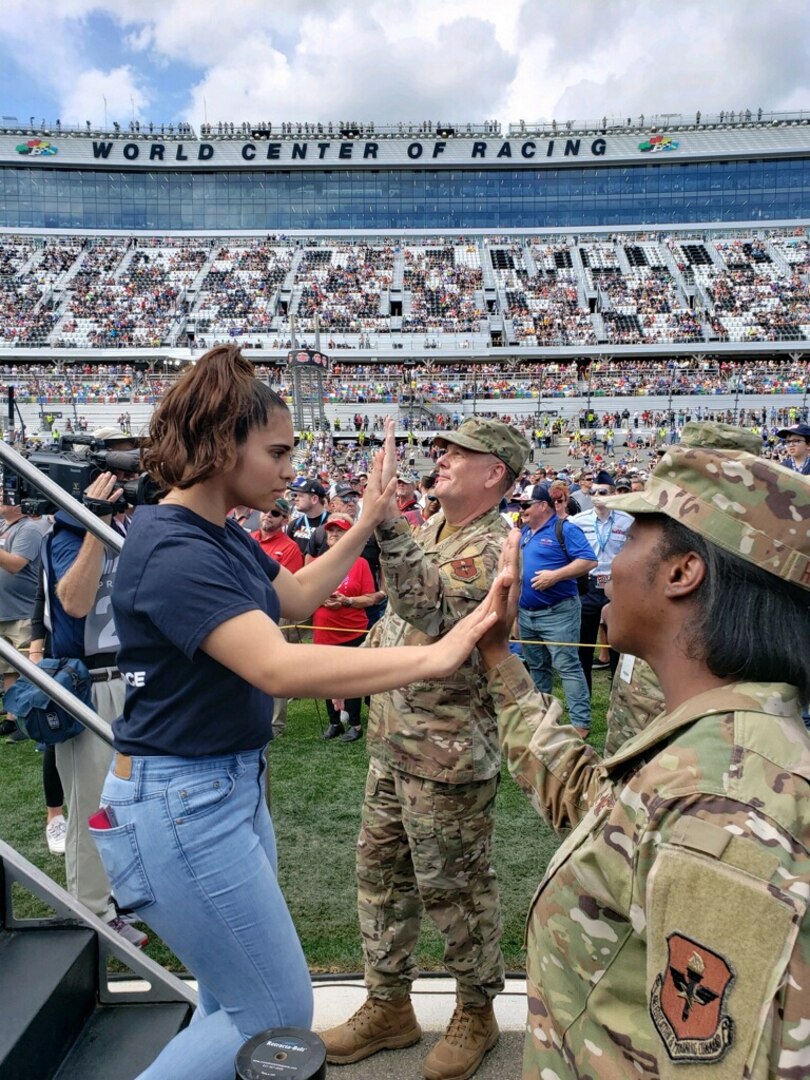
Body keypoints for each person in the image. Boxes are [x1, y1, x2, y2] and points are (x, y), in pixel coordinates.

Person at [93, 346, 497, 1080]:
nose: (289, 468)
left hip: (218, 791)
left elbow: (298, 600)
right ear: (221, 445)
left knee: (232, 1004)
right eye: (276, 451)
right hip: (183, 801)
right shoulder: (177, 547)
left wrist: (371, 518)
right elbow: (277, 665)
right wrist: (434, 657)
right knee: (273, 1015)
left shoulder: (217, 534)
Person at [473, 444, 810, 1079]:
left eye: (627, 540)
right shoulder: (714, 751)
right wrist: (500, 658)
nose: (608, 567)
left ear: (683, 573)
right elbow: (599, 808)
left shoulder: (725, 809)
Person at [322, 417, 531, 1080]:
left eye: (456, 452)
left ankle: (476, 1011)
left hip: (446, 759)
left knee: (457, 890)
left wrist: (382, 519)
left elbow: (439, 616)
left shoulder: (493, 543)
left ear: (494, 471)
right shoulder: (436, 531)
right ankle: (389, 1005)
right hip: (394, 745)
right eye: (439, 448)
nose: (438, 458)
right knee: (380, 881)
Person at [43, 429, 147, 946]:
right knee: (91, 805)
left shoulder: (131, 522)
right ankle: (93, 914)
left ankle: (120, 900)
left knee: (130, 802)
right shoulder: (64, 532)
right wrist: (93, 521)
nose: (126, 481)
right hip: (90, 682)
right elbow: (77, 603)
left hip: (130, 676)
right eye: (119, 471)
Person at [516, 483, 596, 736]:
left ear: (542, 505)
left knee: (567, 665)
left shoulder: (565, 529)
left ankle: (580, 722)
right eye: (520, 505)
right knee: (537, 666)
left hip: (558, 612)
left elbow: (589, 560)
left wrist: (555, 576)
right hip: (528, 613)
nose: (521, 510)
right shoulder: (526, 532)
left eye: (526, 505)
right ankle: (544, 717)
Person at [312, 515, 382, 742]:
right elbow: (304, 593)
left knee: (351, 679)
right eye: (330, 531)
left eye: (339, 531)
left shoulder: (360, 563)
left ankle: (355, 724)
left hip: (351, 629)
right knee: (325, 679)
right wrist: (322, 599)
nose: (333, 534)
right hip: (324, 629)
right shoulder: (318, 563)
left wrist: (346, 601)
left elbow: (371, 598)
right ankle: (334, 723)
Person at [570, 475, 633, 689]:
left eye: (602, 492)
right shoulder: (579, 520)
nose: (597, 496)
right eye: (593, 492)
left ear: (614, 493)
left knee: (619, 643)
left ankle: (617, 693)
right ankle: (583, 693)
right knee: (584, 645)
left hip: (616, 587)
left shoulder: (627, 521)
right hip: (589, 585)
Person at [0, 499, 47, 742]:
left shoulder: (27, 528)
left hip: (22, 611)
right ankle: (12, 718)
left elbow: (15, 565)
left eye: (4, 496)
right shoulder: (4, 526)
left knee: (27, 669)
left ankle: (29, 721)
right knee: (9, 669)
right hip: (4, 611)